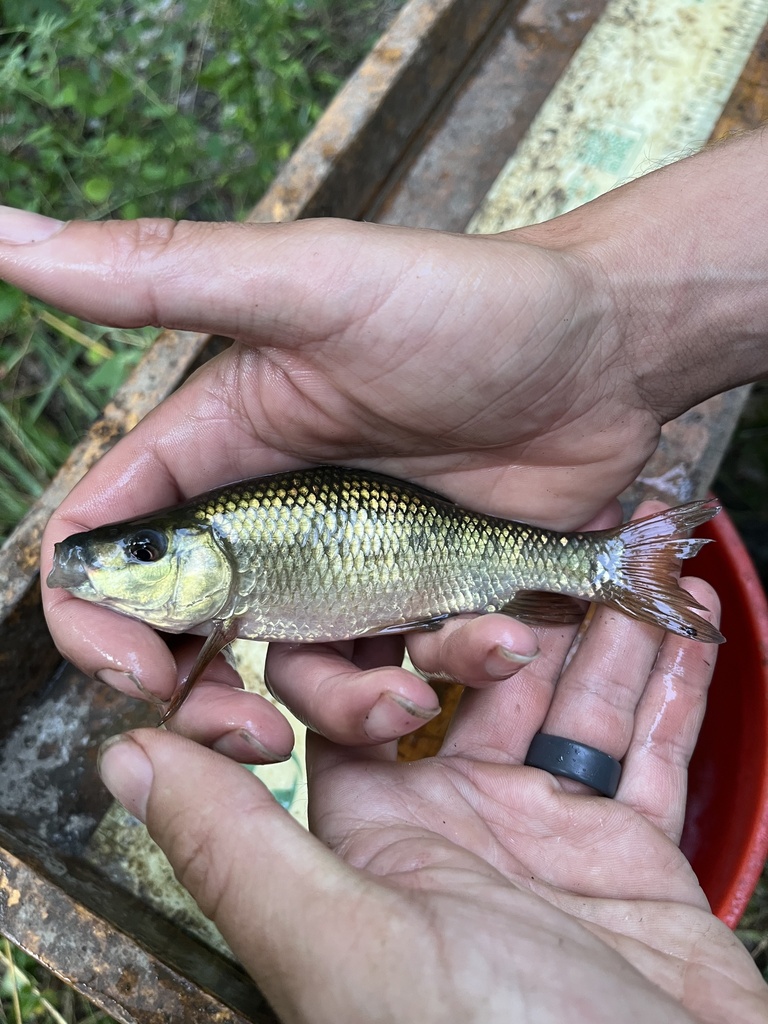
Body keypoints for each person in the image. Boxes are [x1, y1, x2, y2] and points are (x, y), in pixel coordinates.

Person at [0, 126, 767, 1021]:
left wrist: (612, 324)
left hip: (478, 560)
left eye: (143, 551)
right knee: (444, 672)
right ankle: (608, 567)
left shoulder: (236, 542)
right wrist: (614, 323)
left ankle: (607, 568)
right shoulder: (229, 560)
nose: (119, 562)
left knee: (453, 665)